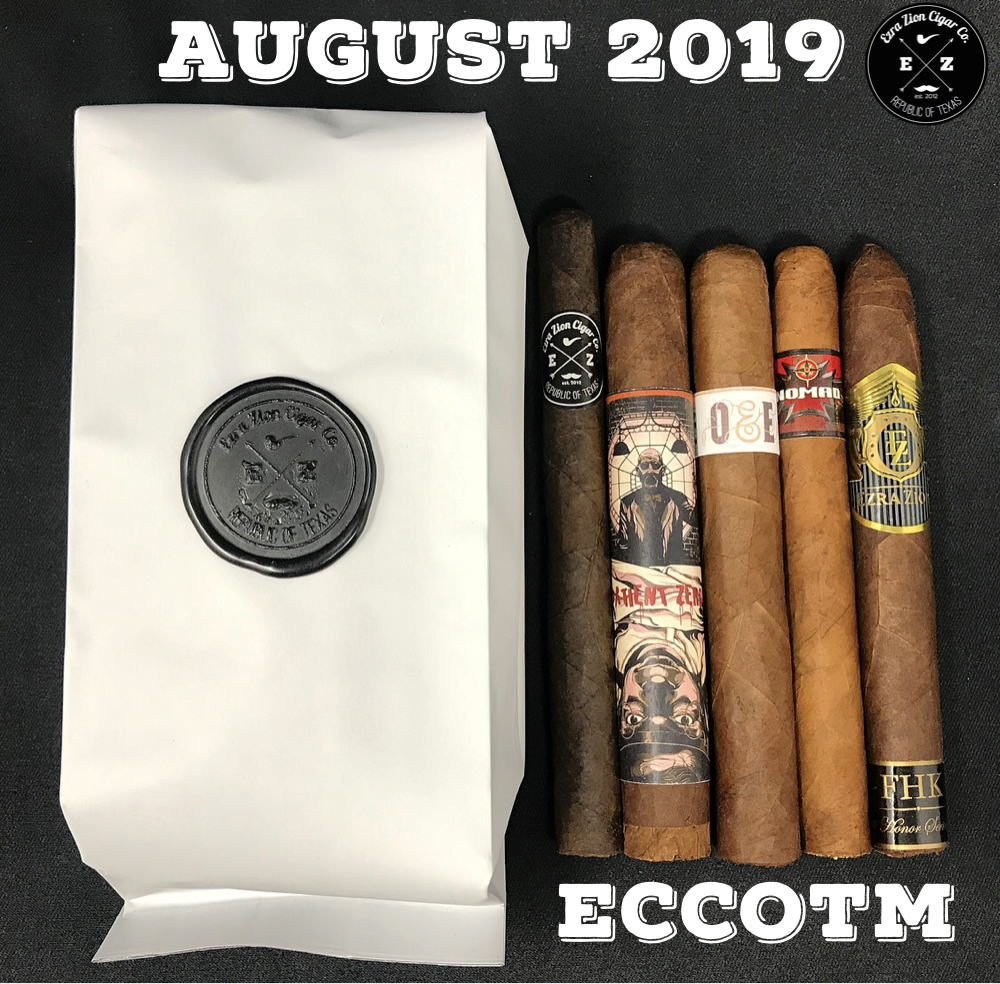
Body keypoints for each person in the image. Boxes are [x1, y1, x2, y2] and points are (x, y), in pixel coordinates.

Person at [615, 447, 696, 566]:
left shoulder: (678, 498)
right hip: (641, 571)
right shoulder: (627, 503)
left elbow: (694, 519)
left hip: (672, 571)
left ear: (663, 470)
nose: (650, 471)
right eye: (644, 466)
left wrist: (697, 487)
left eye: (655, 465)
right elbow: (623, 543)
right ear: (638, 471)